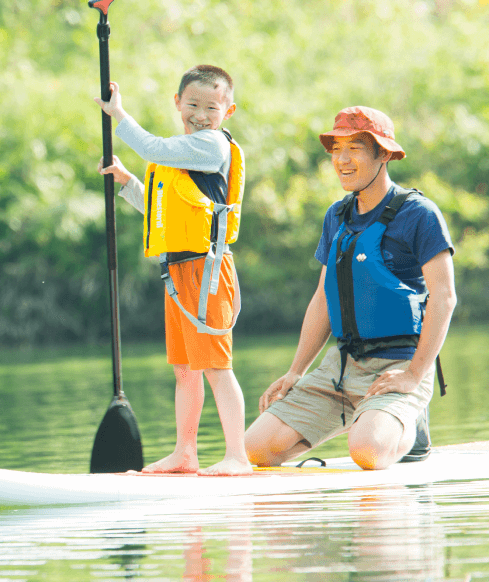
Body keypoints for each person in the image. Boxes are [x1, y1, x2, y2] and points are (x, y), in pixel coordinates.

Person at [244, 106, 456, 470]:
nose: (342, 160)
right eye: (335, 149)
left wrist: (413, 376)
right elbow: (323, 299)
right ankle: (365, 418)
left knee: (367, 453)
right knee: (256, 449)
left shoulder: (419, 213)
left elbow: (445, 297)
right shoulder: (336, 216)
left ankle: (407, 426)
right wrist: (296, 370)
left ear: (384, 154)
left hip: (400, 362)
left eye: (355, 148)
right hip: (342, 366)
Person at [94, 65, 253, 476]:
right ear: (178, 103)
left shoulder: (211, 147)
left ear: (227, 111)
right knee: (184, 370)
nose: (201, 114)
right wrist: (127, 182)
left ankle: (237, 455)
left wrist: (118, 116)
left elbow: (152, 148)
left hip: (208, 272)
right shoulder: (183, 156)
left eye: (211, 107)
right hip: (178, 273)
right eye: (193, 104)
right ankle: (186, 453)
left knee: (218, 368)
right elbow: (163, 210)